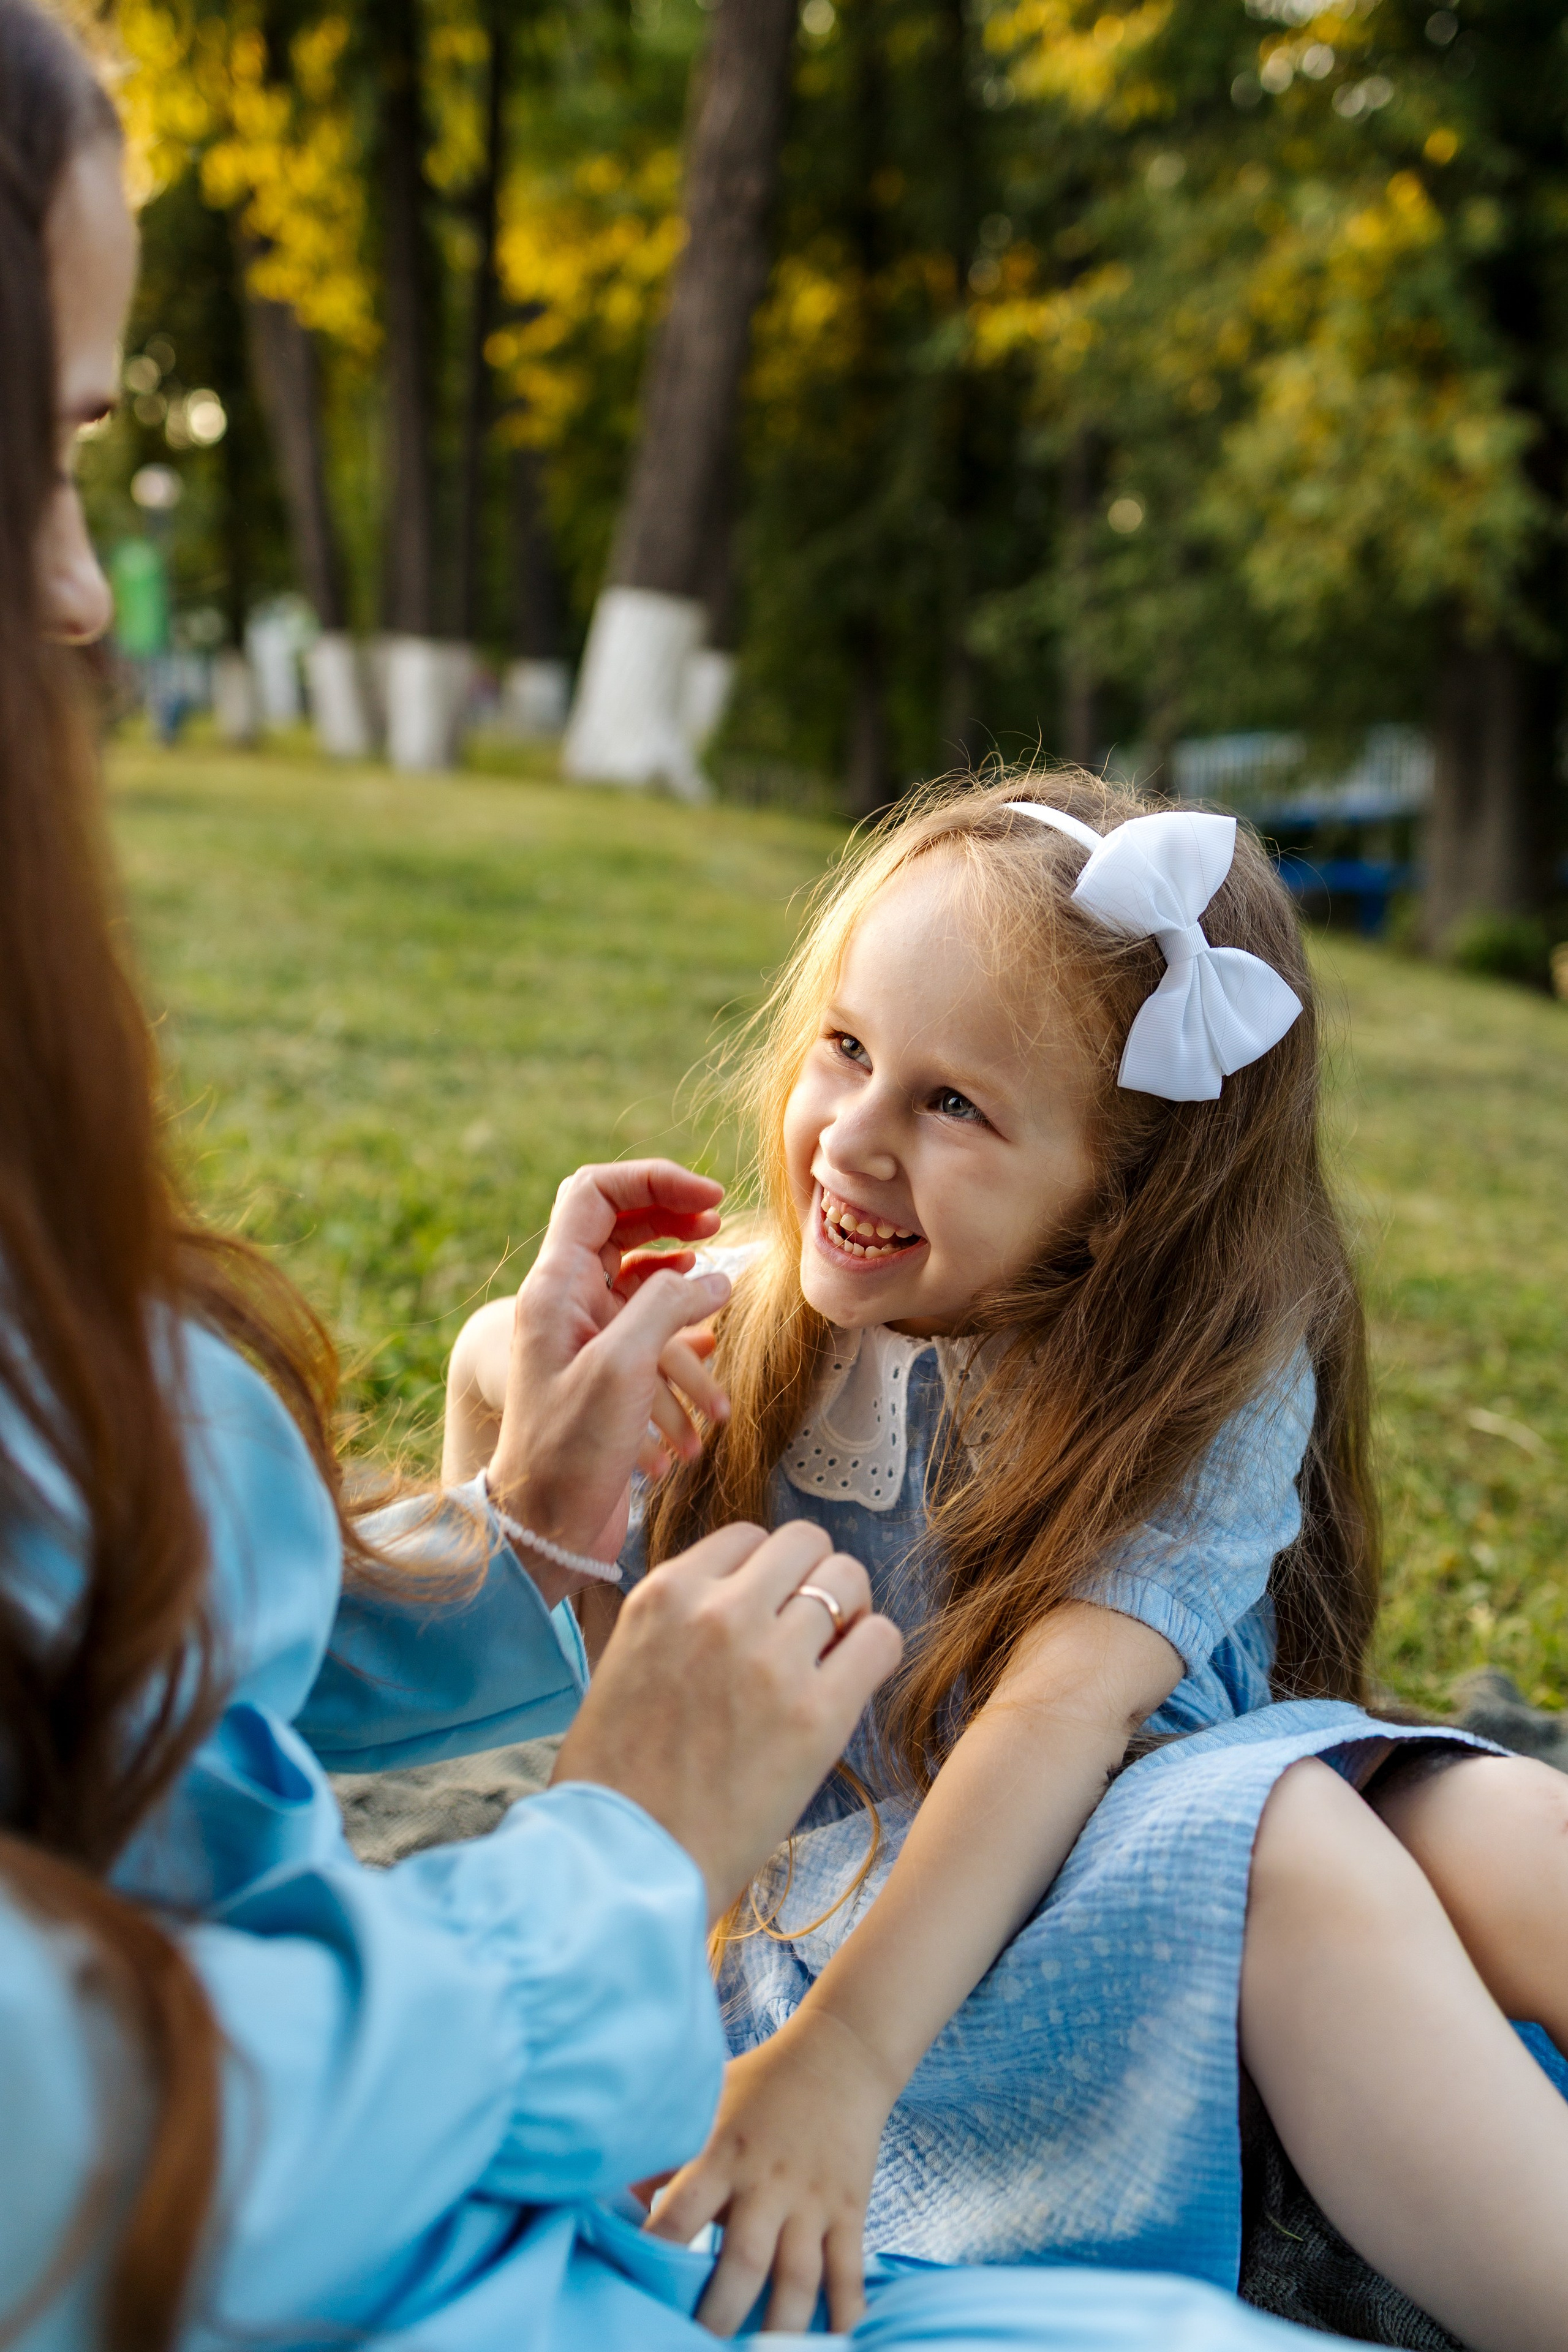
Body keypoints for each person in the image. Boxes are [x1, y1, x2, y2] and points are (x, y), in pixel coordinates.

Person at [0, 9, 1396, 2350]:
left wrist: (520, 1537)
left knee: (1374, 1820)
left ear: (1135, 1195)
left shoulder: (1184, 1369)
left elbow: (135, 1680)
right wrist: (625, 1852)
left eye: (86, 458)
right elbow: (123, 2154)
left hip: (544, 2080)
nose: (76, 592)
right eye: (38, 460)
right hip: (433, 2175)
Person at [450, 772, 1568, 2350]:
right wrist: (509, 1379)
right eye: (847, 1049)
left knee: (1507, 1822)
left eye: (954, 1106)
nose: (854, 1137)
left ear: (1128, 1193)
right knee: (1297, 1839)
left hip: (1031, 1866)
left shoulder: (1198, 1376)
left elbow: (1057, 1720)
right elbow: (522, 1532)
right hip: (872, 1948)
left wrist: (846, 2066)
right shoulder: (740, 1331)